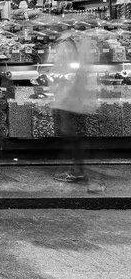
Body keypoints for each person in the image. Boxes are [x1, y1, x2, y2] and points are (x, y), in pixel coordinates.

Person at [48, 25, 97, 184]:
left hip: (68, 96)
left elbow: (65, 69)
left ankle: (77, 171)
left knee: (69, 132)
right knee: (70, 132)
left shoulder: (67, 45)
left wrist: (54, 82)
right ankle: (76, 168)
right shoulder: (82, 42)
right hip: (73, 95)